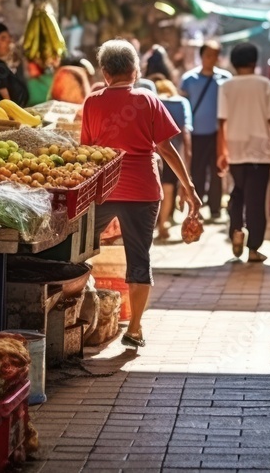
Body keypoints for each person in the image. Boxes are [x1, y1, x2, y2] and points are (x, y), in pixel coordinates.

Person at [82, 40, 201, 348]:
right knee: (139, 259)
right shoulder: (147, 99)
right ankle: (134, 329)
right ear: (135, 71)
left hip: (104, 190)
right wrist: (188, 188)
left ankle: (81, 317)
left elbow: (87, 151)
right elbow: (166, 148)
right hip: (143, 190)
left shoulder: (92, 102)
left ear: (105, 73)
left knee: (81, 252)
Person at [217, 42, 270, 263]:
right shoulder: (264, 84)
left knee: (237, 193)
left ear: (233, 63)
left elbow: (222, 122)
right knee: (256, 200)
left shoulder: (226, 86)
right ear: (254, 61)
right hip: (259, 150)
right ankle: (254, 248)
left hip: (235, 147)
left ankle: (236, 230)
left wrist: (222, 151)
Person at [180, 41, 232, 220]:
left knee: (218, 170)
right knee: (197, 170)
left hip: (218, 133)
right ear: (201, 56)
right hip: (196, 134)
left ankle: (215, 208)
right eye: (209, 54)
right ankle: (197, 205)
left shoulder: (225, 78)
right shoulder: (189, 79)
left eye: (216, 55)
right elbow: (184, 104)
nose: (212, 58)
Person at [150, 75, 193, 240]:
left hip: (151, 154)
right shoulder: (181, 103)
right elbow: (187, 135)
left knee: (154, 189)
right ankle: (162, 224)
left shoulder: (152, 101)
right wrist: (187, 163)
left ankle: (155, 224)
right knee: (167, 189)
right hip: (171, 155)